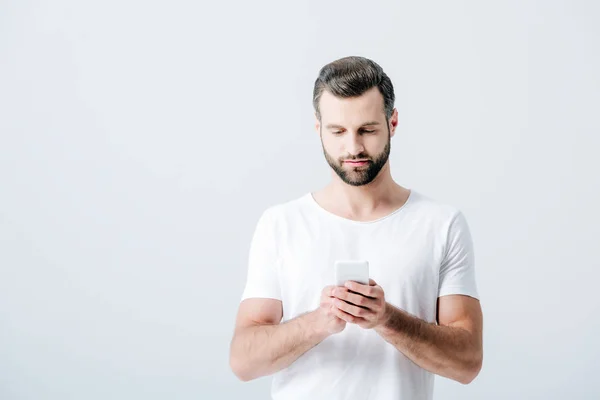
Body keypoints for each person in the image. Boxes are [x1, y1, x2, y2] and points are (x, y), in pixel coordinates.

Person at [229, 56, 483, 400]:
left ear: (392, 123)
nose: (353, 148)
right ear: (319, 129)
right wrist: (318, 322)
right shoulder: (280, 224)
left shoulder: (441, 224)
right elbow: (243, 361)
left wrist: (386, 319)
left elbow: (467, 362)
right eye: (338, 131)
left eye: (367, 129)